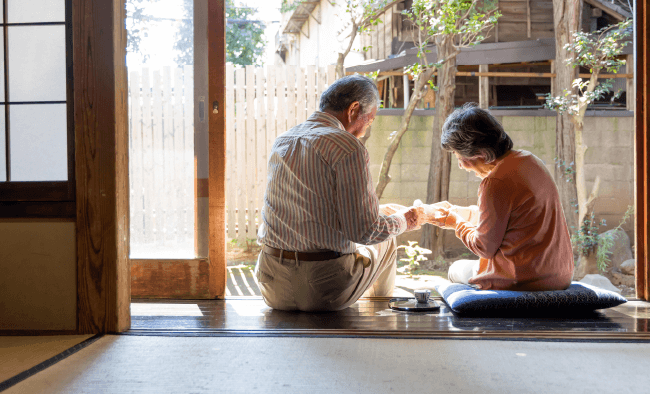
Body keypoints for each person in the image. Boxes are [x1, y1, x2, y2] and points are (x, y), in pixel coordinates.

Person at [255, 75, 443, 311]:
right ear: (354, 109)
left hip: (272, 286)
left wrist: (385, 213)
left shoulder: (283, 140)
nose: (366, 130)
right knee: (387, 238)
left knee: (385, 219)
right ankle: (379, 316)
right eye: (370, 120)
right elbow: (365, 231)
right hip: (321, 290)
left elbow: (313, 211)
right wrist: (406, 220)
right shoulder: (347, 147)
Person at [431, 103, 574, 291]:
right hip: (560, 275)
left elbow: (484, 247)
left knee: (455, 269)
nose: (460, 166)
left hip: (522, 280)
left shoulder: (495, 182)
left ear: (480, 154)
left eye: (460, 159)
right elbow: (511, 219)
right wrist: (460, 212)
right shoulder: (530, 160)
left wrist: (455, 223)